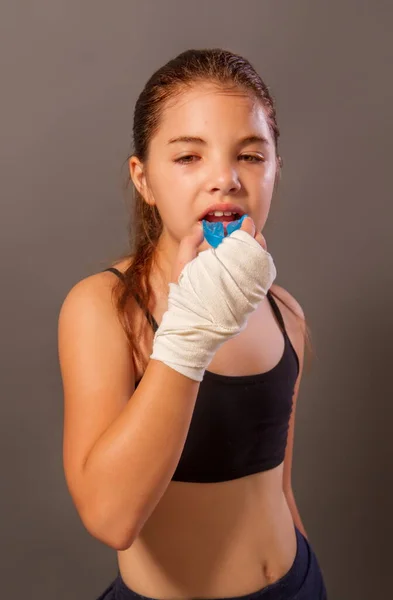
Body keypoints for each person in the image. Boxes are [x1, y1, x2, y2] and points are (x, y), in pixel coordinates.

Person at [58, 48, 328, 600]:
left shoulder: (286, 314)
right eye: (188, 157)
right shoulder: (103, 307)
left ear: (277, 168)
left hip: (297, 585)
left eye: (251, 156)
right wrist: (193, 327)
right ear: (144, 179)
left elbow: (277, 488)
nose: (224, 179)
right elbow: (111, 519)